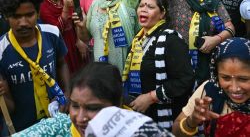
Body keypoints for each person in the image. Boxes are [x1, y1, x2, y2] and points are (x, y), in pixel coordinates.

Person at [12, 62, 173, 137]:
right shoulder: (60, 127)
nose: (80, 118)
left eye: (93, 108)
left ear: (118, 105)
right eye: (75, 105)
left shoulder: (139, 131)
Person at [0, 0, 70, 132]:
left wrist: (67, 92)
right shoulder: (1, 50)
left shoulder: (52, 33)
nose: (23, 22)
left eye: (29, 15)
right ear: (6, 16)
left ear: (38, 12)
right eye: (16, 16)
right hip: (24, 128)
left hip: (55, 121)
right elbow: (9, 108)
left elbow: (61, 63)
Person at [122, 0, 194, 130]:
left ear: (162, 14)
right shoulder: (138, 41)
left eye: (150, 7)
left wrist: (151, 97)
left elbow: (185, 80)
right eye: (141, 5)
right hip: (140, 114)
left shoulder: (171, 40)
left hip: (165, 115)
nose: (144, 9)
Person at [172, 37, 250, 136]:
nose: (234, 88)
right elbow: (175, 131)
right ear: (216, 74)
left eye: (243, 79)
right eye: (225, 78)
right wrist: (191, 121)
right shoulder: (209, 91)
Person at [40, 0, 86, 74]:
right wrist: (66, 8)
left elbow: (78, 18)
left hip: (74, 39)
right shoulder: (44, 8)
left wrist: (80, 40)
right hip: (60, 44)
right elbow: (57, 30)